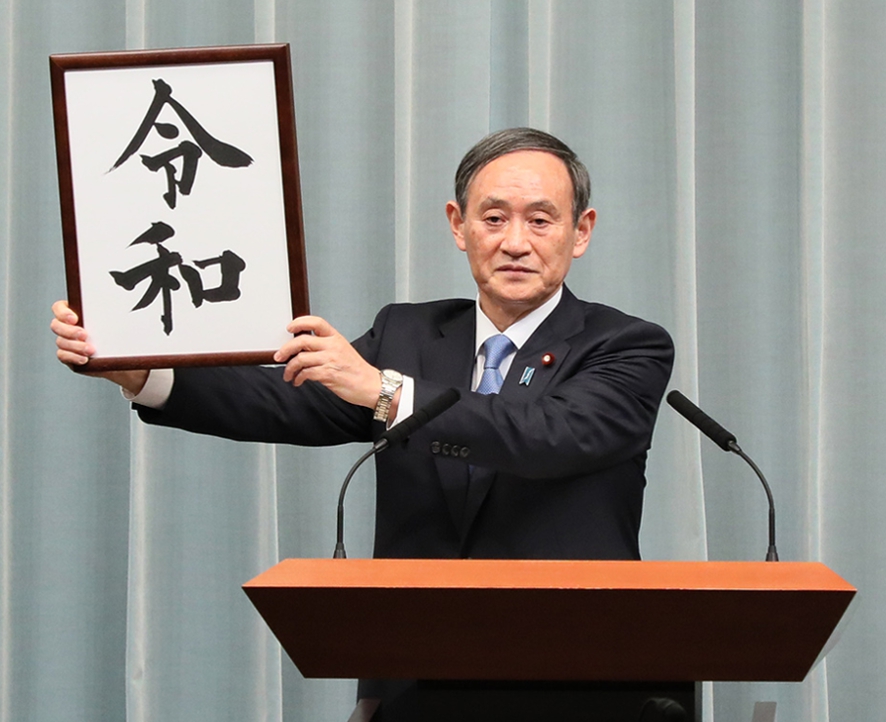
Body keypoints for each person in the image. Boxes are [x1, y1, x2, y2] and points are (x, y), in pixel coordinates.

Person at [52, 127, 674, 562]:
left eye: (540, 219)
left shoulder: (628, 346)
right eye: (493, 217)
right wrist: (142, 371)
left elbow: (545, 435)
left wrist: (381, 389)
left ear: (580, 231)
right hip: (411, 666)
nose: (515, 241)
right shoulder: (407, 332)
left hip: (573, 674)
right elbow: (284, 400)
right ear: (458, 226)